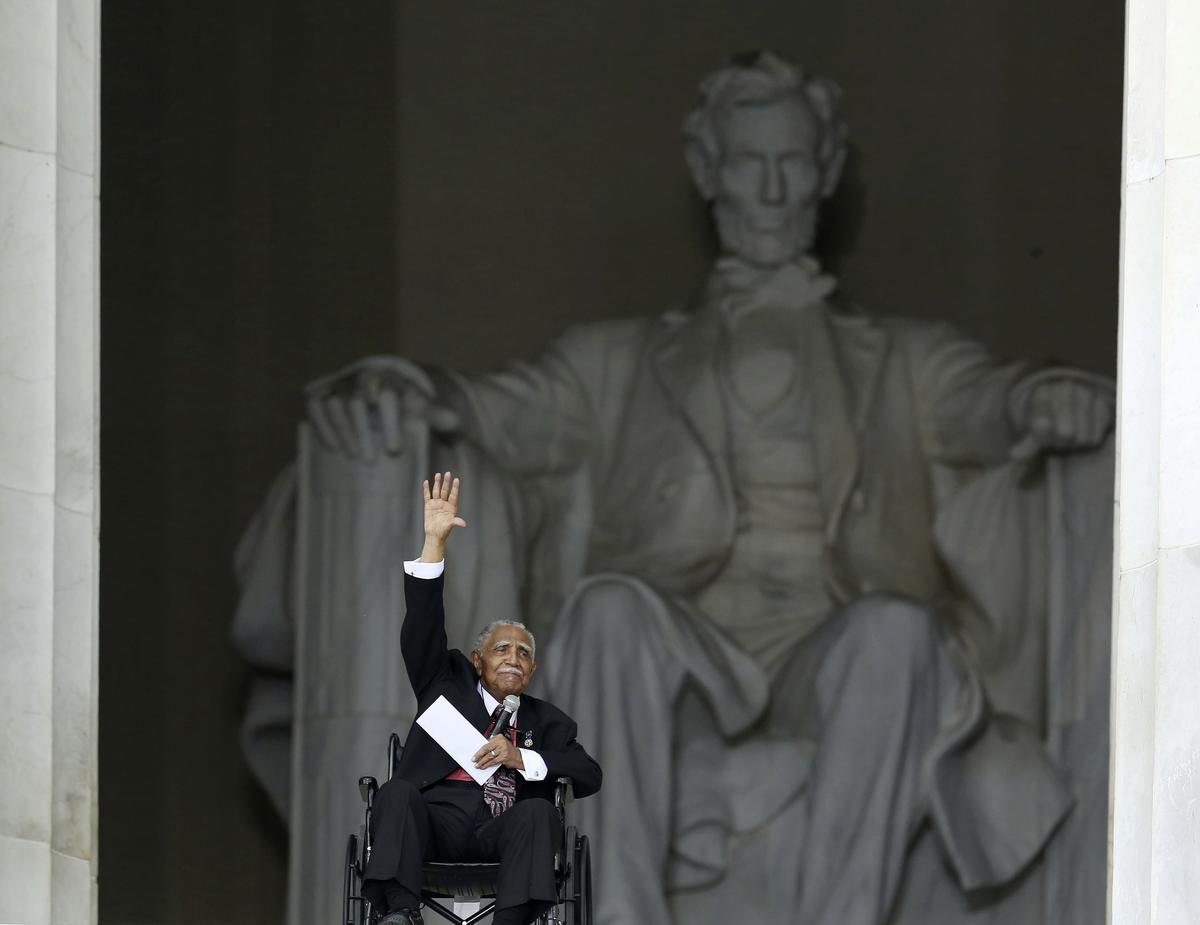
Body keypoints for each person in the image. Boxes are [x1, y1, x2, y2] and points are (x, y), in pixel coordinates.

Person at [361, 473, 602, 925]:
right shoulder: (443, 684)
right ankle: (398, 915)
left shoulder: (551, 723)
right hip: (435, 824)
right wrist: (434, 544)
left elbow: (588, 774)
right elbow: (422, 628)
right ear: (477, 660)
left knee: (536, 812)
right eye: (502, 649)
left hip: (504, 834)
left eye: (524, 653)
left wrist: (522, 758)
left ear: (532, 671)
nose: (513, 658)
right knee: (394, 793)